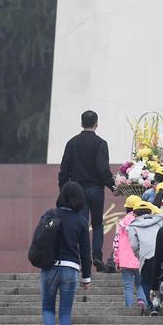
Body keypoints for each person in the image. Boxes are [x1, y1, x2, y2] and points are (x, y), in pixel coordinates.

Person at [58, 109, 117, 271]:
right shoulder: (100, 143)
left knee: (79, 225)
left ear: (81, 123)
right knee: (97, 224)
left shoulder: (72, 143)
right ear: (96, 124)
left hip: (76, 191)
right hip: (96, 190)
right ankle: (97, 257)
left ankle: (77, 259)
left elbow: (64, 170)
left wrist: (64, 191)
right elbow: (103, 169)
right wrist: (113, 187)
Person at [40, 181, 92, 325]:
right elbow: (85, 251)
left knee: (48, 307)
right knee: (65, 312)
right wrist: (86, 277)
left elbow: (39, 238)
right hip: (71, 269)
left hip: (49, 267)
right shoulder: (81, 220)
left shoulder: (50, 214)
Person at [128, 200, 163, 316]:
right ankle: (158, 301)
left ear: (135, 213)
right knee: (161, 281)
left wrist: (140, 253)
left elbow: (134, 245)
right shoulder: (159, 221)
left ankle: (151, 305)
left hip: (146, 258)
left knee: (146, 282)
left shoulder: (133, 225)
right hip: (162, 256)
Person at [112, 195, 146, 309]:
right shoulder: (143, 223)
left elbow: (116, 243)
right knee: (140, 284)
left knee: (128, 286)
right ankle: (142, 300)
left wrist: (116, 260)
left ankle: (129, 308)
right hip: (140, 259)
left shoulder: (121, 223)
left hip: (125, 261)